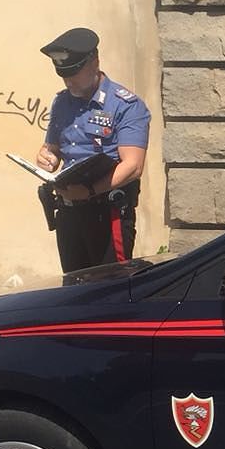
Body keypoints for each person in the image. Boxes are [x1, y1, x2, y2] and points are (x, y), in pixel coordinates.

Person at [35, 26, 151, 272]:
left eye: (74, 74)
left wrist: (89, 191)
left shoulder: (125, 105)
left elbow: (133, 166)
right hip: (68, 213)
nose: (69, 81)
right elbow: (53, 148)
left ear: (94, 63)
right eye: (64, 76)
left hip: (106, 212)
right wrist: (47, 157)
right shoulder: (62, 101)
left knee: (110, 288)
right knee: (74, 288)